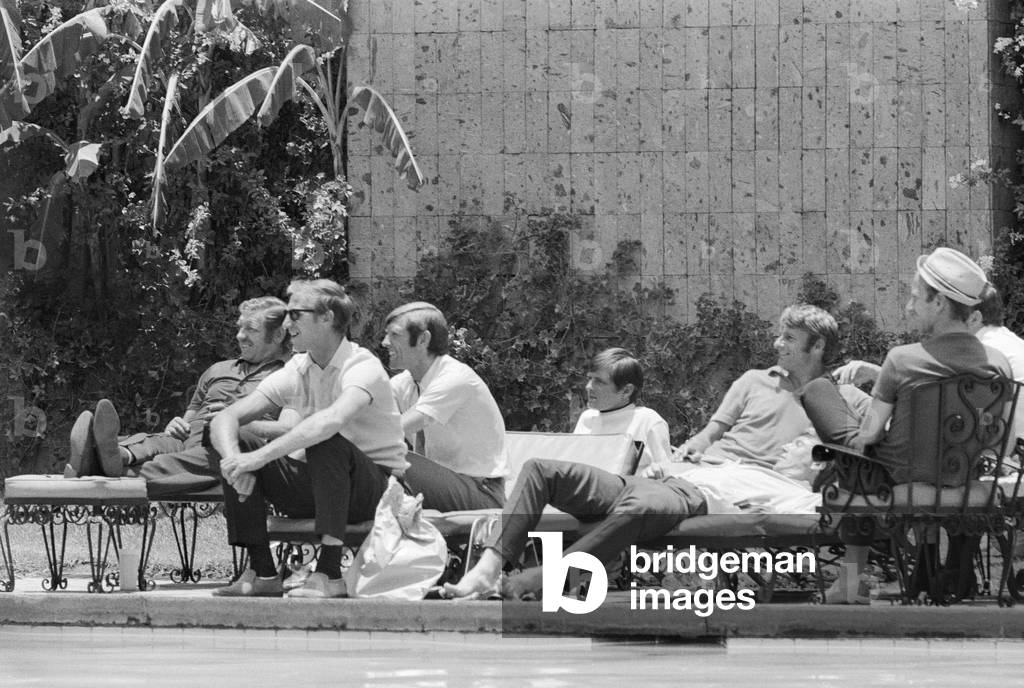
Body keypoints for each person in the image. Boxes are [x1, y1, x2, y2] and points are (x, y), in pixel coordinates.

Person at [802, 247, 1013, 602]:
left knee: (819, 393)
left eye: (916, 298)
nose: (909, 307)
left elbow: (868, 435)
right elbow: (998, 439)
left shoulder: (902, 360)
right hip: (966, 479)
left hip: (897, 479)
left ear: (940, 304)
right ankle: (899, 573)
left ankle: (850, 582)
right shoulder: (999, 364)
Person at [443, 347, 704, 600]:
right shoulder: (588, 418)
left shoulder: (647, 420)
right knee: (539, 475)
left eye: (599, 382)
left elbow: (665, 474)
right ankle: (499, 573)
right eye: (589, 379)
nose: (589, 387)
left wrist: (653, 471)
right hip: (585, 496)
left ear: (626, 391)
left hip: (619, 497)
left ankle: (541, 580)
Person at [208, 279, 408, 599]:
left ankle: (329, 574)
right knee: (242, 438)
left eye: (295, 315)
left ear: (326, 317)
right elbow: (225, 417)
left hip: (376, 493)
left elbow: (332, 421)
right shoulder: (299, 366)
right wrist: (237, 462)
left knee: (324, 438)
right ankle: (262, 572)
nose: (287, 325)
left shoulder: (362, 365)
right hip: (322, 486)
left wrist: (258, 459)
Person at [64, 297, 292, 500]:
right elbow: (187, 423)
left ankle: (96, 463)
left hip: (232, 448)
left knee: (205, 459)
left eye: (250, 329)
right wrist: (176, 425)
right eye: (239, 328)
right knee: (156, 441)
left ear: (279, 335)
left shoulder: (290, 376)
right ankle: (118, 453)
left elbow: (286, 432)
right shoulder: (218, 370)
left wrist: (235, 422)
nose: (240, 336)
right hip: (189, 440)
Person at [382, 302, 507, 511]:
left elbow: (396, 429)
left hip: (481, 493)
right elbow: (366, 415)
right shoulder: (404, 383)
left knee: (387, 454)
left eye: (394, 335)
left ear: (423, 339)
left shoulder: (455, 378)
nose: (385, 342)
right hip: (442, 486)